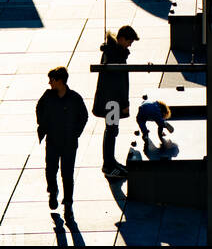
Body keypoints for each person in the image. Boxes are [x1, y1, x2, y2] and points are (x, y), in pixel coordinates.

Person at [36, 67, 88, 221]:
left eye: (51, 80)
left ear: (59, 80)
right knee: (50, 170)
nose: (49, 82)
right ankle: (53, 191)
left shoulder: (75, 98)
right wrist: (43, 124)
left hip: (69, 144)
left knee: (67, 174)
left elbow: (83, 117)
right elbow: (38, 109)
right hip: (52, 140)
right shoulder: (47, 96)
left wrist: (75, 134)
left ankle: (68, 205)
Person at [93, 25, 139, 179]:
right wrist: (125, 104)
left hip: (110, 101)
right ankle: (109, 165)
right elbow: (119, 83)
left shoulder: (113, 52)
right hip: (112, 102)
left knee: (111, 131)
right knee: (111, 131)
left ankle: (111, 162)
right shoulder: (116, 55)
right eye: (129, 41)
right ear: (121, 38)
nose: (130, 44)